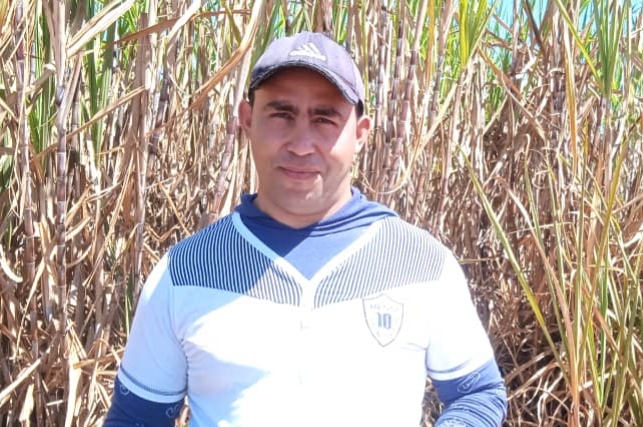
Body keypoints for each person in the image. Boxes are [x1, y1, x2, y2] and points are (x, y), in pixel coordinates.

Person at [104, 31, 508, 427]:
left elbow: (477, 394)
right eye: (282, 114)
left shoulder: (421, 263)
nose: (301, 145)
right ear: (247, 120)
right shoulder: (184, 271)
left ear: (360, 134)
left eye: (325, 119)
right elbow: (136, 418)